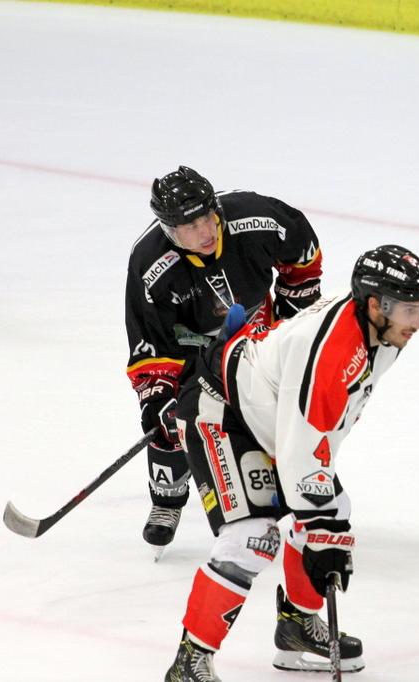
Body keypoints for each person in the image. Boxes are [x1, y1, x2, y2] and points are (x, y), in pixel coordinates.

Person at [163, 245, 419, 680]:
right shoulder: (334, 353)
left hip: (269, 413)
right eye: (409, 310)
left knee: (331, 512)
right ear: (375, 305)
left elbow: (319, 433)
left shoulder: (380, 333)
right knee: (251, 537)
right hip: (222, 409)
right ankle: (189, 661)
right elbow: (299, 451)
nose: (418, 322)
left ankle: (296, 627)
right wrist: (321, 533)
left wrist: (323, 527)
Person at [125, 166, 323, 554]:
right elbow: (150, 341)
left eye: (207, 217)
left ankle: (276, 493)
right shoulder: (150, 263)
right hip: (188, 347)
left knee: (267, 414)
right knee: (172, 420)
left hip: (253, 335)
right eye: (190, 226)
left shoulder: (254, 217)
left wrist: (291, 316)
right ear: (170, 230)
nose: (205, 231)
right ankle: (167, 500)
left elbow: (302, 250)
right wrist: (158, 397)